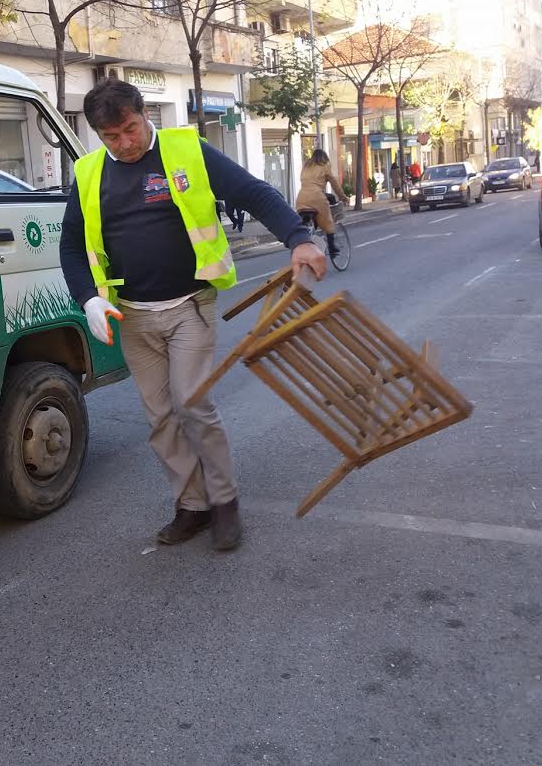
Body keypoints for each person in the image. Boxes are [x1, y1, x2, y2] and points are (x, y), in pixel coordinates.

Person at [59, 78, 327, 551]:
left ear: (145, 114)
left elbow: (255, 193)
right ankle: (192, 505)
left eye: (130, 130)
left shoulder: (188, 151)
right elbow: (71, 249)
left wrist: (299, 239)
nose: (124, 144)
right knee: (160, 416)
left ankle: (225, 503)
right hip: (133, 316)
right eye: (111, 138)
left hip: (190, 305)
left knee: (192, 403)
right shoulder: (89, 174)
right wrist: (88, 298)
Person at [295, 149, 344, 255]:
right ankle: (332, 248)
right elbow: (334, 183)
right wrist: (343, 196)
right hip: (317, 197)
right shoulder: (325, 165)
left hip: (301, 198)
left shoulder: (306, 165)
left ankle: (307, 237)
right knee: (328, 222)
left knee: (308, 223)